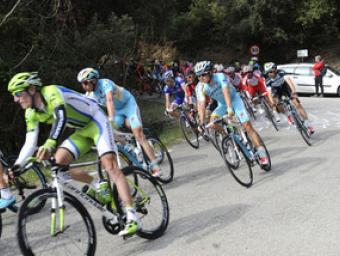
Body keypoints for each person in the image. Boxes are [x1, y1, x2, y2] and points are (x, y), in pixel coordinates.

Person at [6, 72, 140, 236]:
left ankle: (133, 216)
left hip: (97, 121)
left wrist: (49, 143)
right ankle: (98, 185)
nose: (15, 99)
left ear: (32, 89)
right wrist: (17, 167)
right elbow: (30, 143)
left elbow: (61, 118)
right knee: (58, 164)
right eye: (14, 95)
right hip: (82, 130)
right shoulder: (31, 113)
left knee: (110, 166)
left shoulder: (51, 92)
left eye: (18, 93)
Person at [77, 68, 161, 177]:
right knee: (109, 131)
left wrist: (111, 119)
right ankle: (131, 148)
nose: (83, 86)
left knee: (138, 134)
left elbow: (109, 100)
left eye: (85, 83)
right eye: (82, 84)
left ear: (93, 80)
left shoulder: (105, 83)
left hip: (128, 105)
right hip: (118, 112)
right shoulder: (89, 95)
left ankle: (156, 167)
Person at [194, 61, 269, 166]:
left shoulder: (220, 76)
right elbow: (201, 104)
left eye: (203, 74)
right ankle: (230, 137)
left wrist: (230, 108)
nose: (201, 78)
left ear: (210, 72)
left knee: (247, 126)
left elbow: (226, 92)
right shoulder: (199, 87)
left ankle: (262, 154)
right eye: (199, 76)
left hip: (234, 100)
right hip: (222, 105)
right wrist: (201, 122)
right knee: (212, 123)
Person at [264, 62, 314, 135]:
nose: (269, 74)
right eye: (267, 73)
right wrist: (273, 103)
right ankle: (288, 115)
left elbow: (289, 81)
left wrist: (294, 92)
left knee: (297, 104)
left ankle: (307, 123)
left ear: (275, 70)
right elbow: (269, 93)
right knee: (278, 104)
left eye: (271, 71)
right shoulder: (268, 81)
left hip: (285, 87)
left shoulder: (281, 72)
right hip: (276, 90)